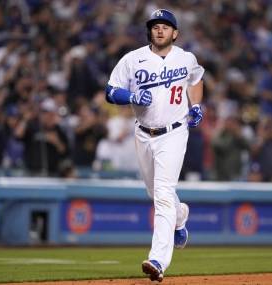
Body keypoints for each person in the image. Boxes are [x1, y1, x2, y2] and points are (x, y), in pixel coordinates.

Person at [105, 9, 204, 282]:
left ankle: (158, 260)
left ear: (175, 33)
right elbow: (110, 91)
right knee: (155, 191)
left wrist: (195, 106)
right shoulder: (133, 59)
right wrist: (132, 95)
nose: (159, 30)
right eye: (155, 26)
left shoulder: (186, 58)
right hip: (143, 133)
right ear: (150, 31)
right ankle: (180, 216)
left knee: (162, 193)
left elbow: (196, 81)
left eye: (165, 26)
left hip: (174, 132)